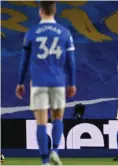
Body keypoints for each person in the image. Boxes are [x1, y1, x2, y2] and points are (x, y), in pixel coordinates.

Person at [15, 1, 76, 165]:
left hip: (38, 83)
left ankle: (44, 161)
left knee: (41, 122)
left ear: (40, 11)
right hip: (58, 82)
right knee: (58, 119)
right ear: (54, 11)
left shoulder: (32, 32)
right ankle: (55, 150)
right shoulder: (65, 33)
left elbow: (24, 62)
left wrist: (20, 83)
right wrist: (72, 83)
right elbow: (71, 62)